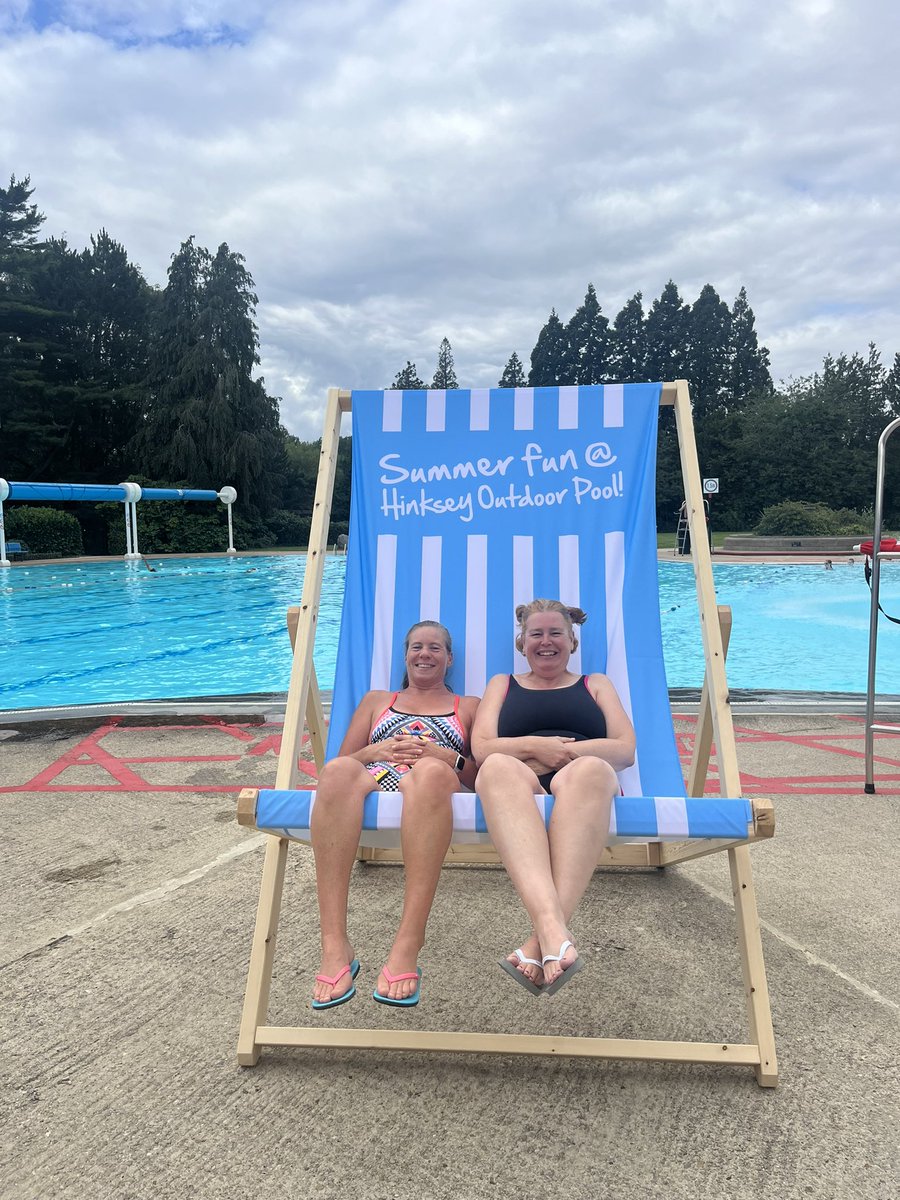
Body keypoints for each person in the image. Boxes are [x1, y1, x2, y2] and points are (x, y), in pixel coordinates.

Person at [310, 621, 479, 1009]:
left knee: (432, 774)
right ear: (405, 656)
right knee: (335, 774)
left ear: (449, 659)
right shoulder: (376, 700)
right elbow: (341, 762)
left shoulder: (468, 707)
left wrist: (444, 756)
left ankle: (408, 942)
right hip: (374, 778)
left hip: (432, 787)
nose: (424, 654)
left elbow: (478, 777)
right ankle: (334, 945)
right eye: (417, 646)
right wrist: (375, 751)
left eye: (435, 648)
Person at [471, 599, 635, 996]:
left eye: (555, 633)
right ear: (521, 641)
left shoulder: (595, 683)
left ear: (571, 640)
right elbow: (481, 748)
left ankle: (538, 940)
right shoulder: (501, 684)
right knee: (494, 768)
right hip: (518, 777)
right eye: (536, 634)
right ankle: (552, 935)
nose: (546, 642)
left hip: (583, 780)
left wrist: (564, 752)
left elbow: (625, 750)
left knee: (595, 768)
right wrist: (534, 747)